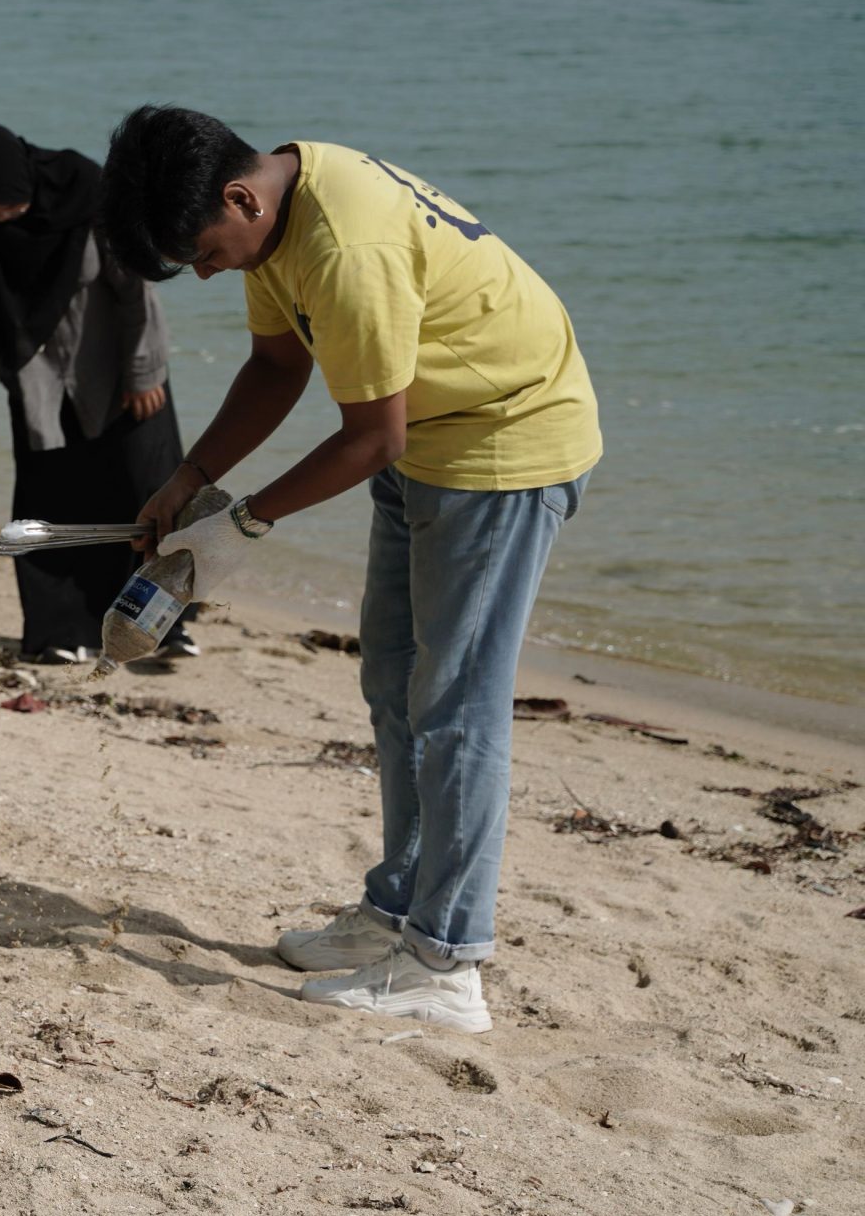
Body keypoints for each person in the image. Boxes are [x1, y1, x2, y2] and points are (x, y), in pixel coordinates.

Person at [100, 107, 599, 1034]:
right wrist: (189, 478)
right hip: (428, 443)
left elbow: (372, 437)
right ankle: (395, 912)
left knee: (457, 706)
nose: (206, 274)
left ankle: (448, 961)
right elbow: (275, 368)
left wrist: (243, 525)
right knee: (393, 683)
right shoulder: (277, 211)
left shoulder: (346, 245)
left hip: (504, 447)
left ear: (239, 199)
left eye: (202, 254)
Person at [0, 123, 193, 665]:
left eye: (12, 207)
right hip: (39, 387)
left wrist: (143, 372)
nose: (5, 220)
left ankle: (160, 626)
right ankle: (58, 632)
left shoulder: (88, 197)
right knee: (50, 509)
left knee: (149, 494)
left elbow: (135, 290)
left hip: (122, 374)